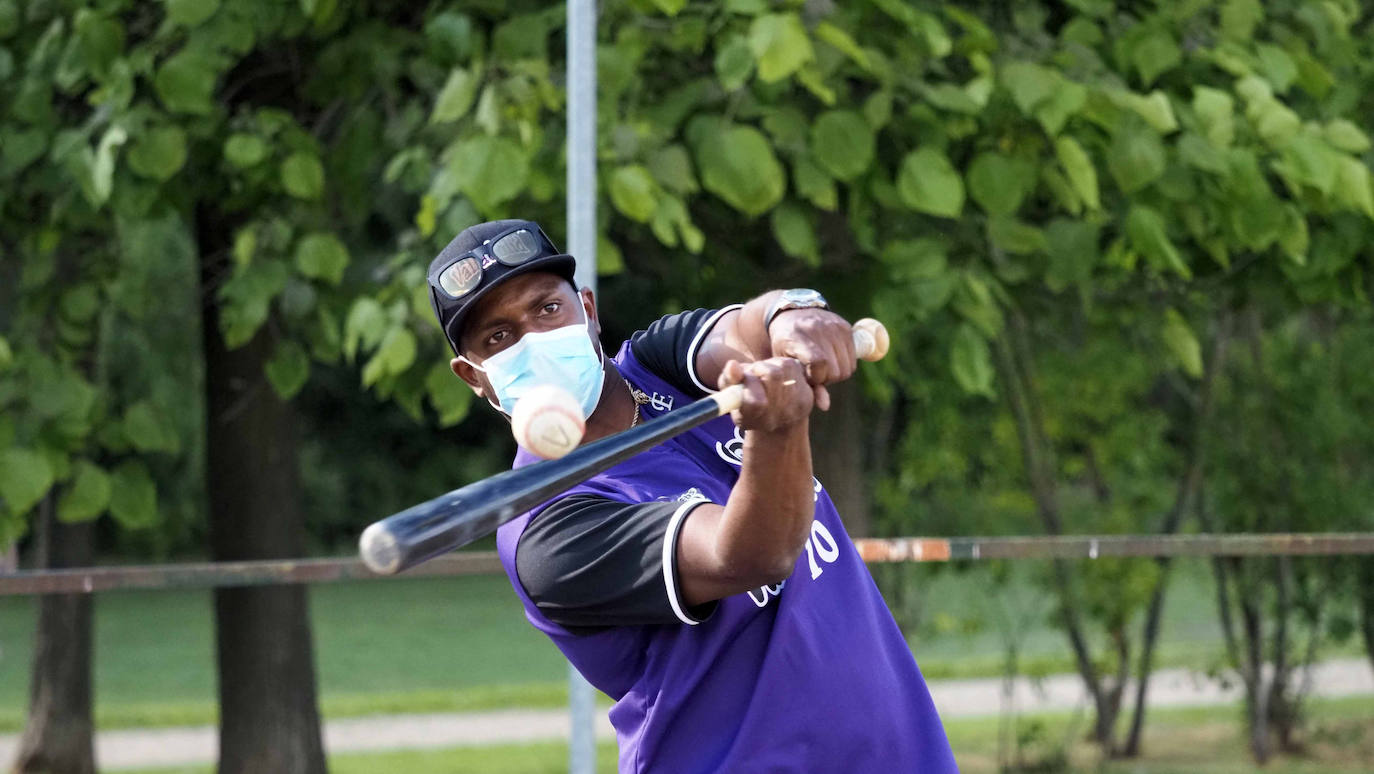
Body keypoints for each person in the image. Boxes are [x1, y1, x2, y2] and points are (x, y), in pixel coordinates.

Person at [428, 219, 957, 773]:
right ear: (473, 376)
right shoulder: (545, 531)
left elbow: (747, 330)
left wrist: (791, 315)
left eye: (546, 309)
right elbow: (752, 555)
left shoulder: (659, 364)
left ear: (587, 308)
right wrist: (776, 430)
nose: (533, 340)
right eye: (499, 337)